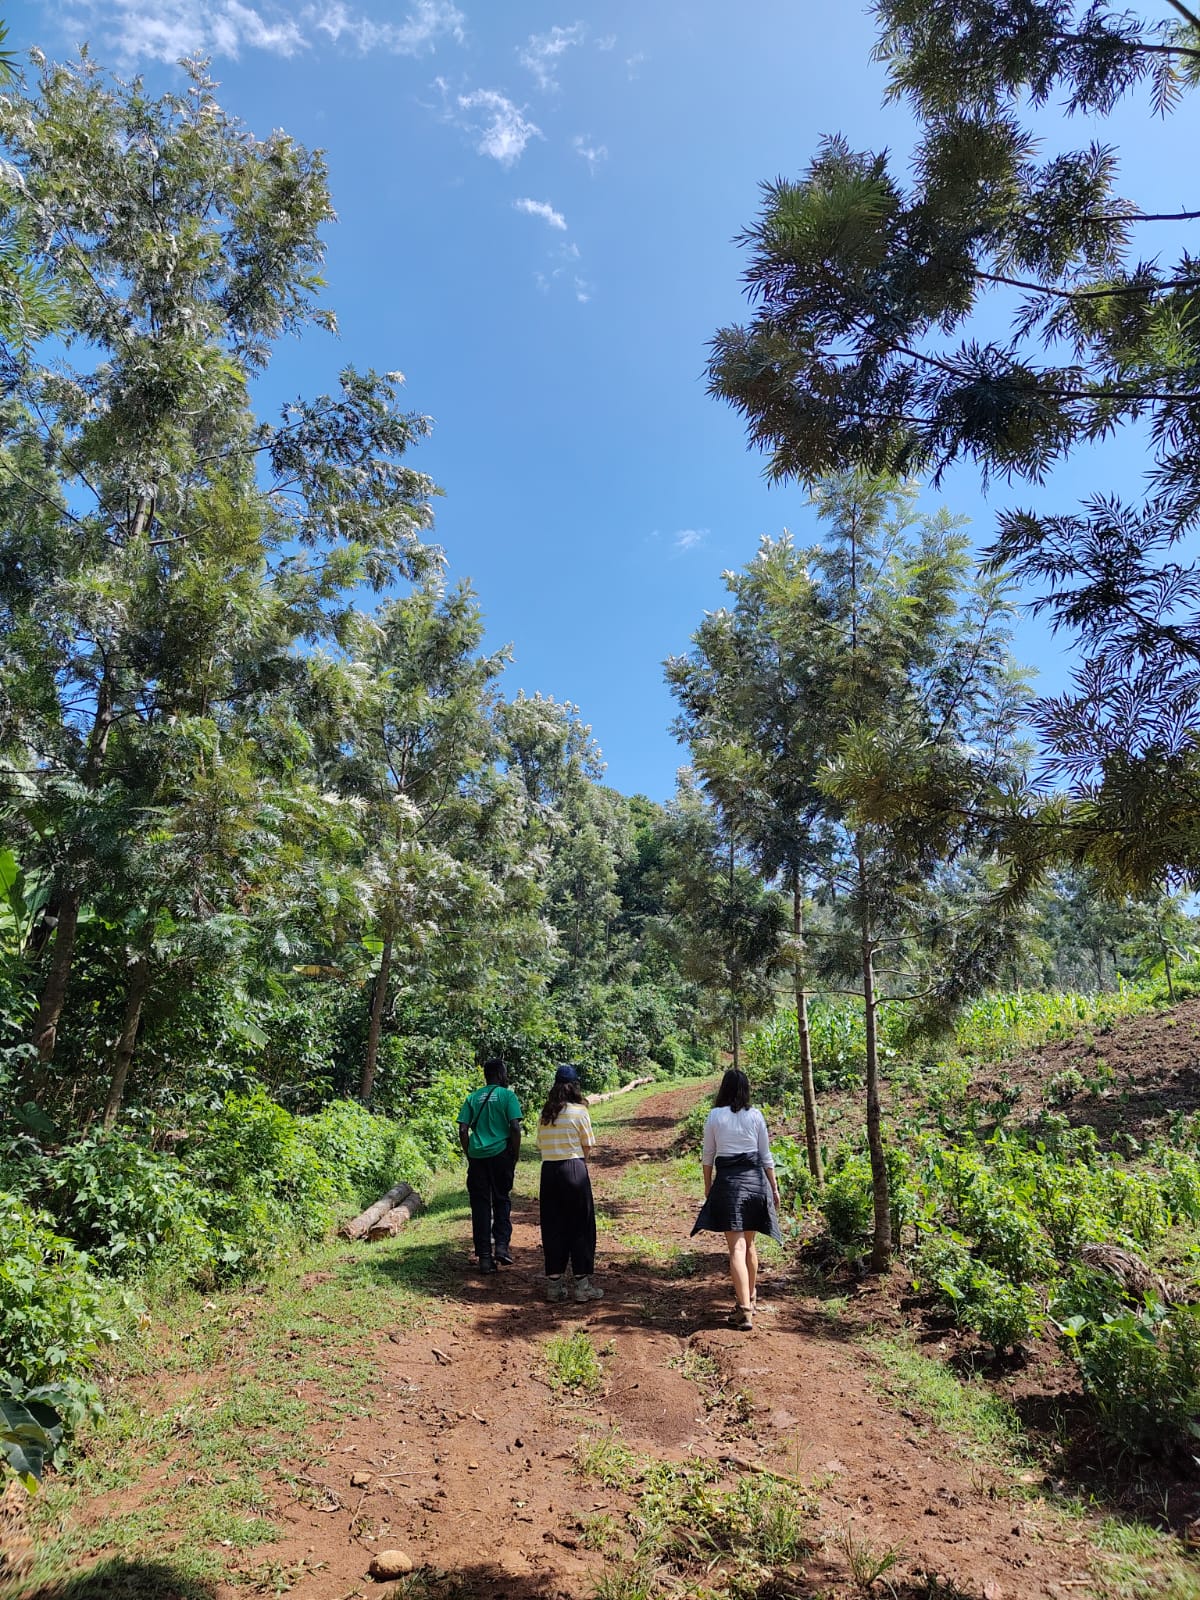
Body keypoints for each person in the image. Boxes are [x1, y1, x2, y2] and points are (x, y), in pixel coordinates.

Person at [690, 1068, 782, 1331]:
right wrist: (773, 1188)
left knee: (737, 1249)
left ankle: (744, 1310)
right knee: (750, 1246)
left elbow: (708, 1156)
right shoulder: (755, 1115)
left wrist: (708, 1187)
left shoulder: (715, 1116)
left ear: (724, 1088)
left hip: (730, 1184)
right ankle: (749, 1299)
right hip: (755, 1183)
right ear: (746, 1090)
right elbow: (766, 1156)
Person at [536, 1064, 603, 1304]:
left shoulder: (546, 1113)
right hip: (574, 1168)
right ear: (575, 1086)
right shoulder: (580, 1111)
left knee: (553, 1226)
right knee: (580, 1226)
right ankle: (582, 1286)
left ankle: (554, 1286)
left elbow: (540, 1146)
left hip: (549, 1171)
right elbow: (587, 1146)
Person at [457, 1058, 522, 1275]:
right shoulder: (507, 1096)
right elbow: (514, 1126)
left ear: (486, 1076)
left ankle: (484, 1258)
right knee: (501, 1199)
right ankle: (502, 1246)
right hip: (501, 1155)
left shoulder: (472, 1097)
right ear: (501, 1075)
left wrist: (470, 1153)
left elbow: (463, 1130)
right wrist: (515, 1153)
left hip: (477, 1158)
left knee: (480, 1205)